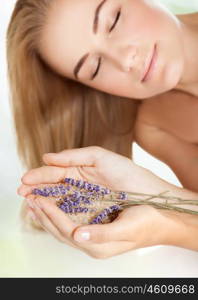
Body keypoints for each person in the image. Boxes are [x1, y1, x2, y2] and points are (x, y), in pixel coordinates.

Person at [7, 0, 198, 258]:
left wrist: (166, 223)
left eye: (114, 20)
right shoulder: (154, 125)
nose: (124, 60)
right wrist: (154, 201)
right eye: (95, 67)